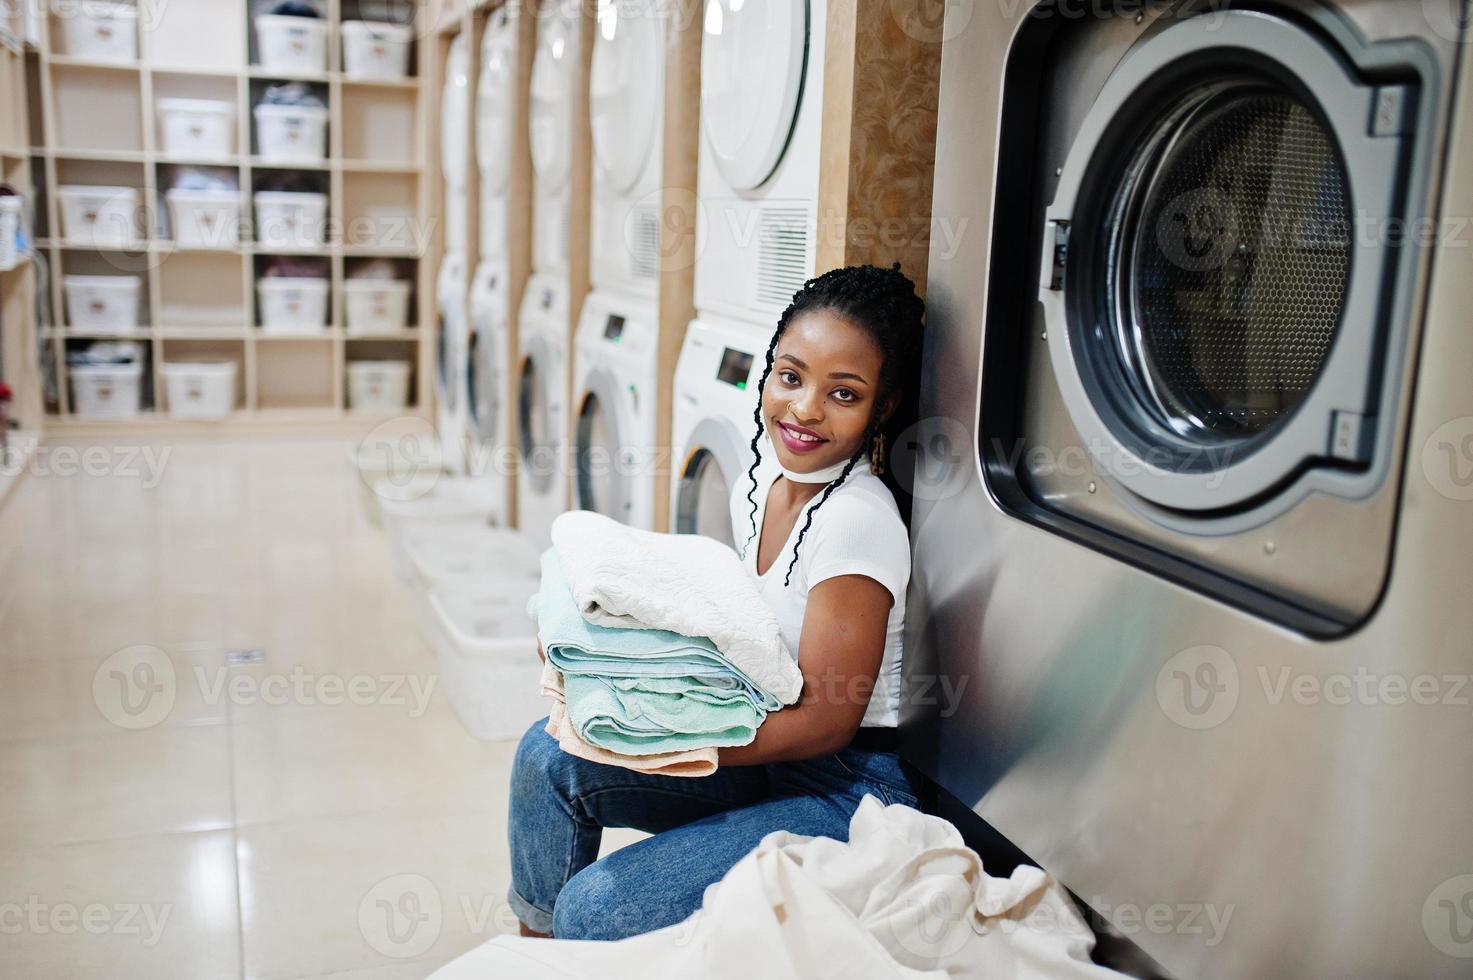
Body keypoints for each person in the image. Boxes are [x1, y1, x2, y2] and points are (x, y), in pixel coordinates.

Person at [507, 264, 926, 941]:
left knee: (598, 907)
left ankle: (568, 942)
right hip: (769, 750)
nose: (805, 409)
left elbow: (827, 723)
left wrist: (661, 749)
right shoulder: (759, 484)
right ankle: (536, 952)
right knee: (546, 755)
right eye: (790, 377)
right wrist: (604, 668)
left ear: (881, 408)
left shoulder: (857, 521)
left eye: (841, 393)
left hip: (845, 792)